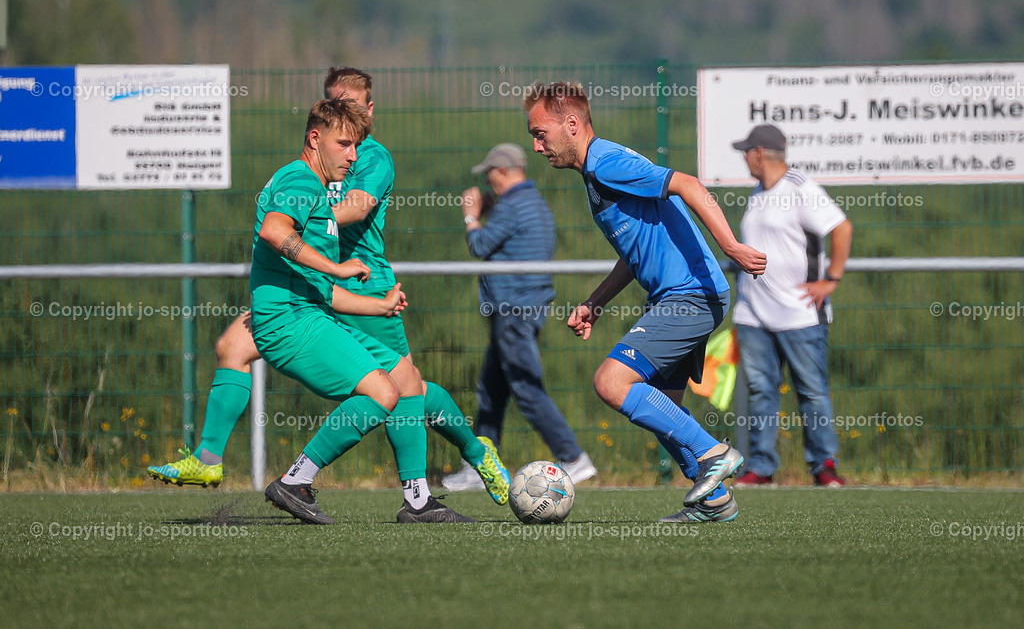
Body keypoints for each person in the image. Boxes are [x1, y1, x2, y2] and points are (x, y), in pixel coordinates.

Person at [149, 69, 509, 523]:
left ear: (369, 110)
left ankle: (458, 465)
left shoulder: (368, 159)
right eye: (342, 127)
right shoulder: (303, 182)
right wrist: (316, 233)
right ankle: (221, 460)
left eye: (356, 117)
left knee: (405, 386)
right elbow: (278, 229)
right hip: (313, 297)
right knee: (241, 348)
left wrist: (357, 280)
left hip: (353, 288)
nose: (352, 149)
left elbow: (355, 206)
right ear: (320, 128)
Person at [522, 81, 767, 523]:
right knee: (660, 404)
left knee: (611, 384)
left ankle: (716, 454)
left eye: (540, 133)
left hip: (690, 295)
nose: (537, 146)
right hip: (679, 296)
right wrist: (595, 302)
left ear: (572, 125)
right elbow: (634, 252)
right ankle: (713, 501)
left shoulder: (606, 163)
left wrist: (729, 245)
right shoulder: (599, 171)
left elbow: (688, 184)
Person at [442, 143, 596, 493]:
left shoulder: (512, 206)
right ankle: (480, 465)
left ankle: (572, 457)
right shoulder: (535, 204)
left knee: (526, 387)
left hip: (513, 311)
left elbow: (480, 246)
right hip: (522, 309)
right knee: (492, 390)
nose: (489, 182)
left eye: (491, 174)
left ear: (504, 171)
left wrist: (471, 215)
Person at [729, 124, 852, 488]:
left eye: (746, 151)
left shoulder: (800, 188)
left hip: (800, 313)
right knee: (760, 390)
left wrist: (832, 279)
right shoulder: (756, 194)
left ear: (760, 154)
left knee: (811, 390)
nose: (745, 159)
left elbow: (842, 228)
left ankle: (823, 465)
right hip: (754, 313)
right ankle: (761, 466)